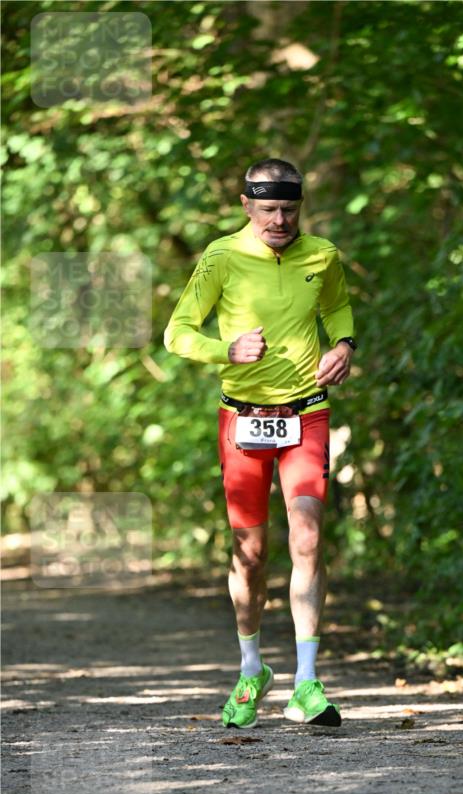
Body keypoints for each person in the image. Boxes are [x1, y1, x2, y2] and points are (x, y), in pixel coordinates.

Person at [164, 158, 356, 730]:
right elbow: (177, 333)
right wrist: (226, 350)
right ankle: (251, 668)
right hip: (242, 420)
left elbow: (337, 307)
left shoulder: (322, 255)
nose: (280, 219)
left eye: (289, 209)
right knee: (250, 556)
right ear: (246, 204)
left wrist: (344, 343)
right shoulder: (222, 257)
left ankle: (306, 681)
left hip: (307, 413)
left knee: (308, 535)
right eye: (269, 208)